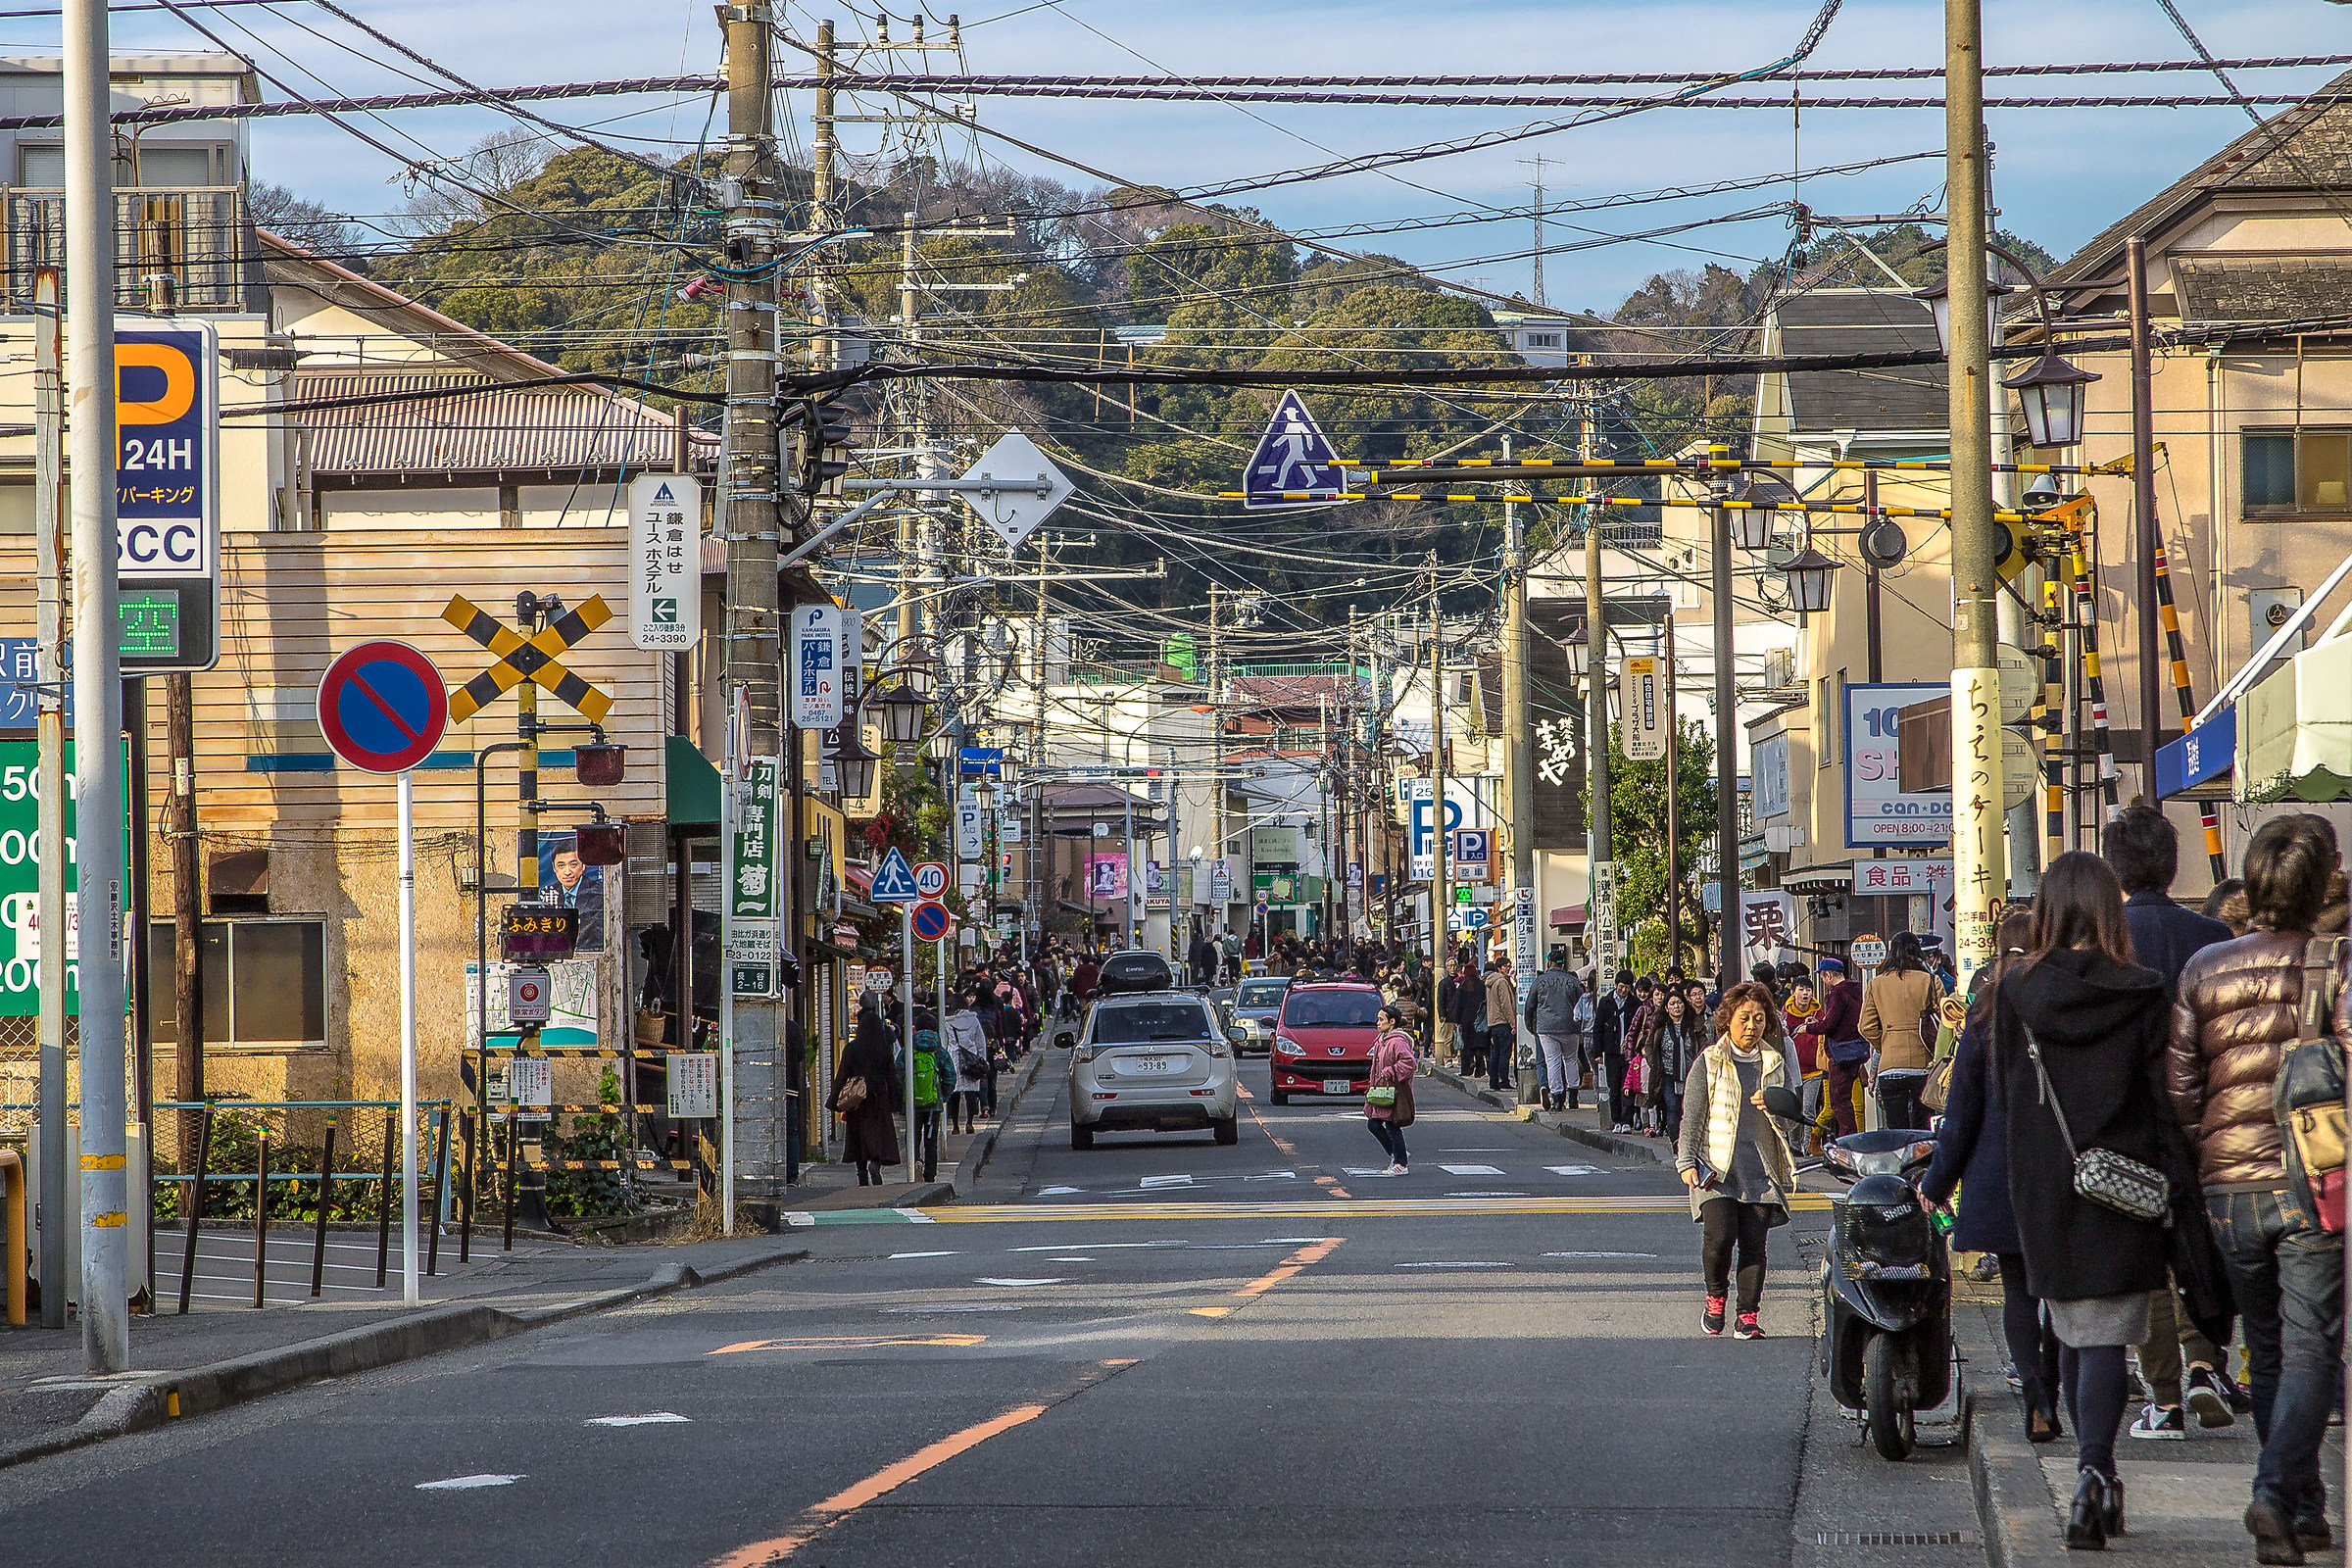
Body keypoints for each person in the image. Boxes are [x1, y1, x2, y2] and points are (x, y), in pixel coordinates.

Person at [2170, 814, 2349, 1566]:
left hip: (2226, 1185)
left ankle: (2303, 1510)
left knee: (2269, 1347)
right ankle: (2276, 1493)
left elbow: (2180, 1087)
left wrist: (2212, 1145)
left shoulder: (2205, 967)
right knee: (2312, 1347)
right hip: (2314, 1179)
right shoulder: (2336, 963)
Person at [1991, 852, 2177, 1551]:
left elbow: (2010, 1097)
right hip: (2124, 1183)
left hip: (2045, 1180)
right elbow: (2162, 1099)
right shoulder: (2141, 990)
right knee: (2102, 1331)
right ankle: (2095, 1472)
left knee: (2070, 1324)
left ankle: (2091, 1473)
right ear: (2107, 909)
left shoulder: (2015, 992)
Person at [2104, 803, 2242, 1442]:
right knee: (2207, 1246)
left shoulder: (2102, 943)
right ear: (2174, 862)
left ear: (2115, 870)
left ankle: (2161, 1398)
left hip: (2126, 1121)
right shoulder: (2213, 941)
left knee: (2145, 1256)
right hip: (2209, 1120)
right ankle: (2204, 1364)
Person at [1922, 908, 2065, 1444]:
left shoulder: (1984, 1014)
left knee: (2019, 1293)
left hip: (1999, 1174)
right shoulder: (2064, 1002)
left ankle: (2035, 1394)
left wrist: (1936, 1184)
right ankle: (2054, 1383)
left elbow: (1960, 1115)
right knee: (2062, 1293)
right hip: (2060, 1171)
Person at [1675, 981, 1800, 1340]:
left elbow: (1791, 1120)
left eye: (1759, 1019)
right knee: (1720, 1235)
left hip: (1761, 1169)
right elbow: (1693, 1113)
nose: (1751, 1026)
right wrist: (1686, 1160)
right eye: (1744, 1018)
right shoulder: (1710, 1061)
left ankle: (1748, 1315)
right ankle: (1715, 1298)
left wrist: (1775, 1107)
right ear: (1728, 1019)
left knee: (1754, 1243)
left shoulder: (1774, 1063)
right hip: (1716, 1165)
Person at [1860, 931, 1944, 1129]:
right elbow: (1945, 1020)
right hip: (1923, 1064)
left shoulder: (1876, 984)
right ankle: (1923, 1160)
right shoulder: (1930, 981)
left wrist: (1885, 1043)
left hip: (1890, 1066)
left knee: (1897, 1131)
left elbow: (1866, 1026)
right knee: (1922, 1129)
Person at [831, 992, 904, 1185]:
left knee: (858, 1135)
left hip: (857, 1098)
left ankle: (862, 1175)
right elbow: (891, 1076)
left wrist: (834, 1100)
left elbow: (841, 1076)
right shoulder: (884, 1048)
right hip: (878, 1096)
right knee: (878, 1134)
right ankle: (876, 1164)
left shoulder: (852, 1048)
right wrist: (896, 1100)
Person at [1793, 956, 1865, 1138]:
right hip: (1855, 1051)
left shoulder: (1837, 993)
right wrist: (1819, 1021)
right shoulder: (1857, 990)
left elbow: (1830, 1025)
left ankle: (1847, 1142)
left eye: (1823, 977)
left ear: (1827, 975)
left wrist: (1806, 1027)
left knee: (1839, 1102)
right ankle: (1851, 1138)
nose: (1823, 981)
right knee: (1849, 1101)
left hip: (1839, 1053)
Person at [1526, 949, 1585, 1111]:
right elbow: (1582, 1002)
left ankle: (1557, 1098)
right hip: (1570, 1025)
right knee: (1571, 1059)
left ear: (1549, 963)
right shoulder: (1572, 981)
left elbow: (1530, 1006)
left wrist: (1532, 1027)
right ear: (1563, 964)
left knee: (1552, 1062)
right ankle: (1573, 1096)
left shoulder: (1540, 981)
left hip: (1546, 1027)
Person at [1365, 1004, 1417, 1175]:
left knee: (1391, 1124)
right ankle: (1397, 1154)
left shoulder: (1398, 1041)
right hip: (1381, 1090)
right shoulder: (1381, 1040)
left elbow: (1409, 1063)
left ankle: (1401, 1162)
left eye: (1381, 1019)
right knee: (1373, 1123)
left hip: (1394, 1091)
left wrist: (1391, 1071)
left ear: (1392, 1021)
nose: (1377, 1023)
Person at [1648, 985, 1700, 1140]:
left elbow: (1702, 1045)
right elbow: (1650, 1047)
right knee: (1672, 1106)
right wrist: (1655, 1065)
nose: (1676, 1006)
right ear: (1666, 1008)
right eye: (1672, 1004)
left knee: (1688, 1108)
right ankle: (1675, 1142)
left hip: (1690, 1074)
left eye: (1679, 1003)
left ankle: (1688, 1141)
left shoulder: (1693, 1025)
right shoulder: (1661, 1027)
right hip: (1668, 1075)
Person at [1595, 968, 1639, 1133]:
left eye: (1627, 987)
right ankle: (1616, 1120)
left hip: (1629, 1053)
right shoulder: (1606, 1003)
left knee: (1627, 1087)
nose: (1623, 990)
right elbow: (1598, 1028)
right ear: (1615, 985)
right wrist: (1598, 1053)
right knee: (1613, 1087)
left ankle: (1627, 1120)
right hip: (1611, 1051)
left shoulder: (1634, 1004)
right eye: (1621, 987)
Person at [945, 990, 990, 1132]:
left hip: (954, 1058)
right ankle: (970, 1123)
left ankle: (956, 1126)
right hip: (971, 1057)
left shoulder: (947, 1022)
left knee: (955, 1093)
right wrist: (982, 1058)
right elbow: (980, 1041)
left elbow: (945, 1043)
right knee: (970, 1092)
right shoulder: (973, 1019)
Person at [1484, 957, 1517, 1093]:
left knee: (1495, 1053)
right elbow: (1506, 1004)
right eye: (1505, 966)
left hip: (1493, 1022)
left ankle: (1493, 1081)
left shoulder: (1490, 982)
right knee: (1504, 1053)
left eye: (1509, 966)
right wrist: (1513, 1023)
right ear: (1499, 968)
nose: (1508, 968)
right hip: (1503, 1021)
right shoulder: (1502, 982)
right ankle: (1504, 1080)